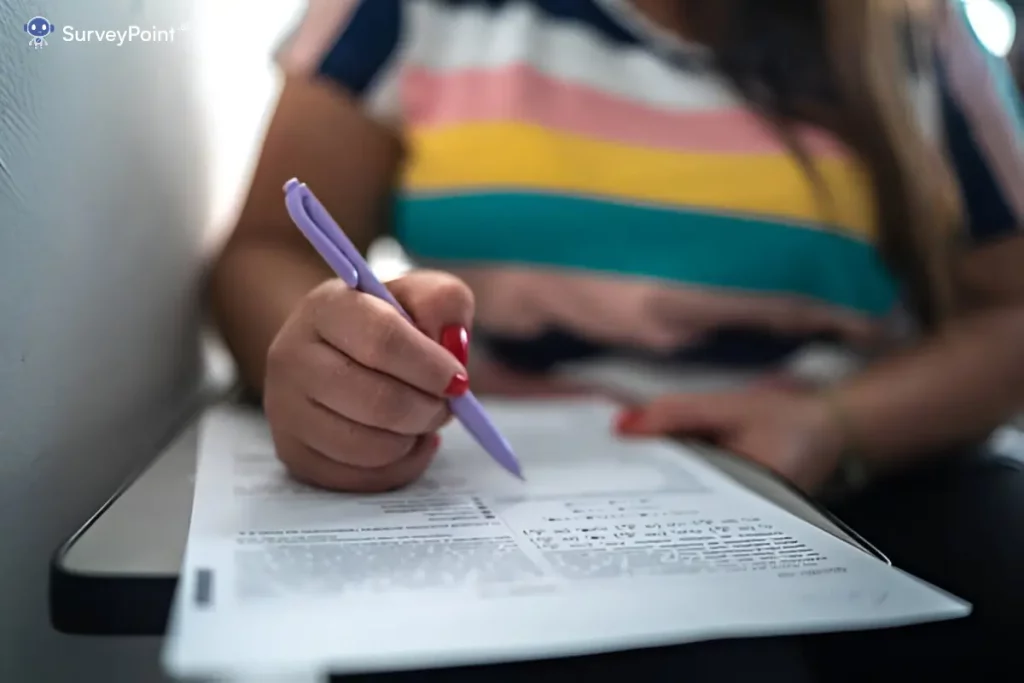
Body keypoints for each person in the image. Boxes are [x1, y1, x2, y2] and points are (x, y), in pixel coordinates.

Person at [209, 0, 1024, 679]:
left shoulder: (915, 30)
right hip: (496, 495)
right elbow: (265, 252)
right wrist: (336, 367)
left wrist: (837, 425)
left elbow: (1010, 314)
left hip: (865, 472)